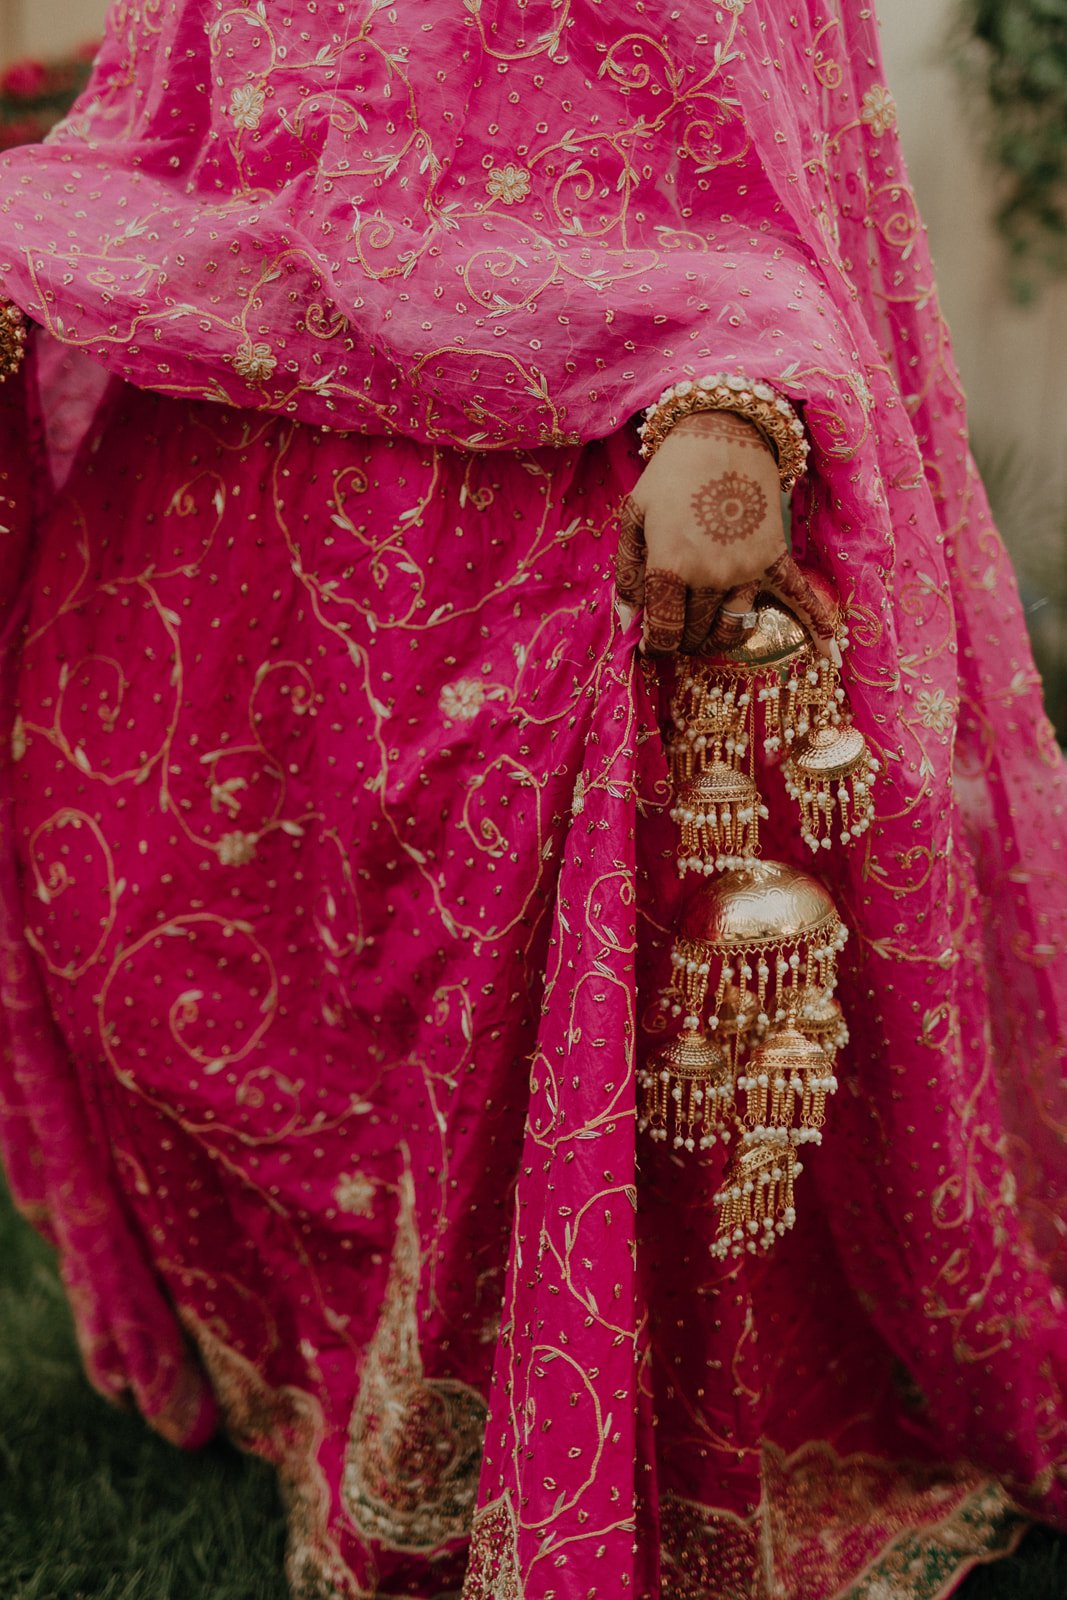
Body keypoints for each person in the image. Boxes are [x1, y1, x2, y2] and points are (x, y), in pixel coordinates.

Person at [0, 3, 1063, 1597]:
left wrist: (740, 416)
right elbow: (170, 141)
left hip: (534, 567)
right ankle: (326, 1390)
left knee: (503, 1058)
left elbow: (761, 200)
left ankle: (523, 1438)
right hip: (204, 561)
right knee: (164, 971)